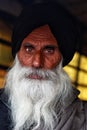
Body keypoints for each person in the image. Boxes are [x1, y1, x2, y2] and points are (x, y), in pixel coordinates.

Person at [0, 1, 87, 130]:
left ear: (61, 59)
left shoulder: (81, 117)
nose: (36, 63)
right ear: (18, 54)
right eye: (29, 49)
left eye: (49, 50)